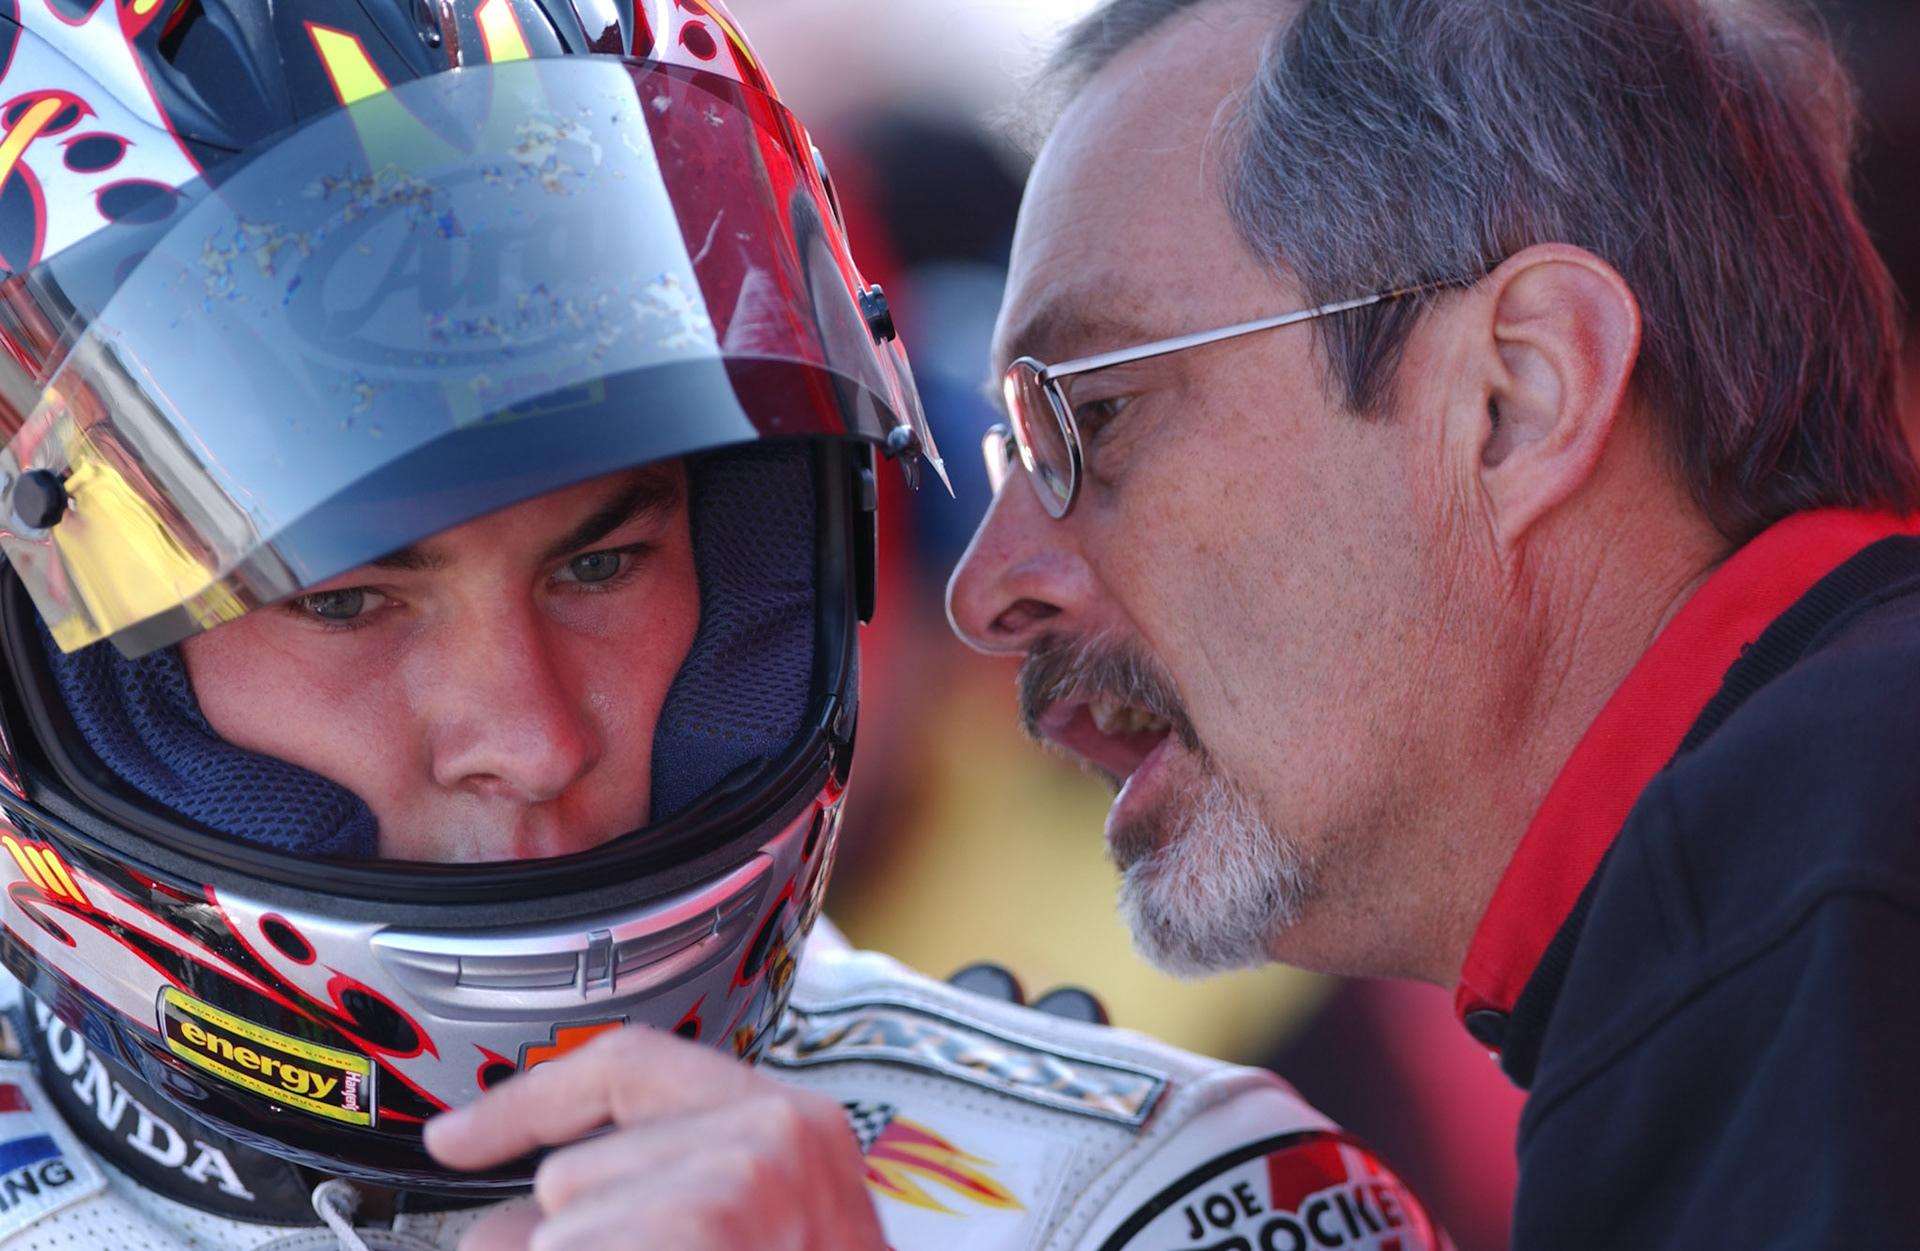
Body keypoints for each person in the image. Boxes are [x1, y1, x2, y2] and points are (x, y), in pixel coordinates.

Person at [0, 2, 1446, 1249]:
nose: (533, 736)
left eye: (601, 563)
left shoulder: (1162, 1196)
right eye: (347, 596)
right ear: (81, 666)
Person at [934, 0, 1920, 1246]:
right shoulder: (1790, 874)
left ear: (1518, 398)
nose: (988, 588)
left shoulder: (1829, 902)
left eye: (1098, 416)